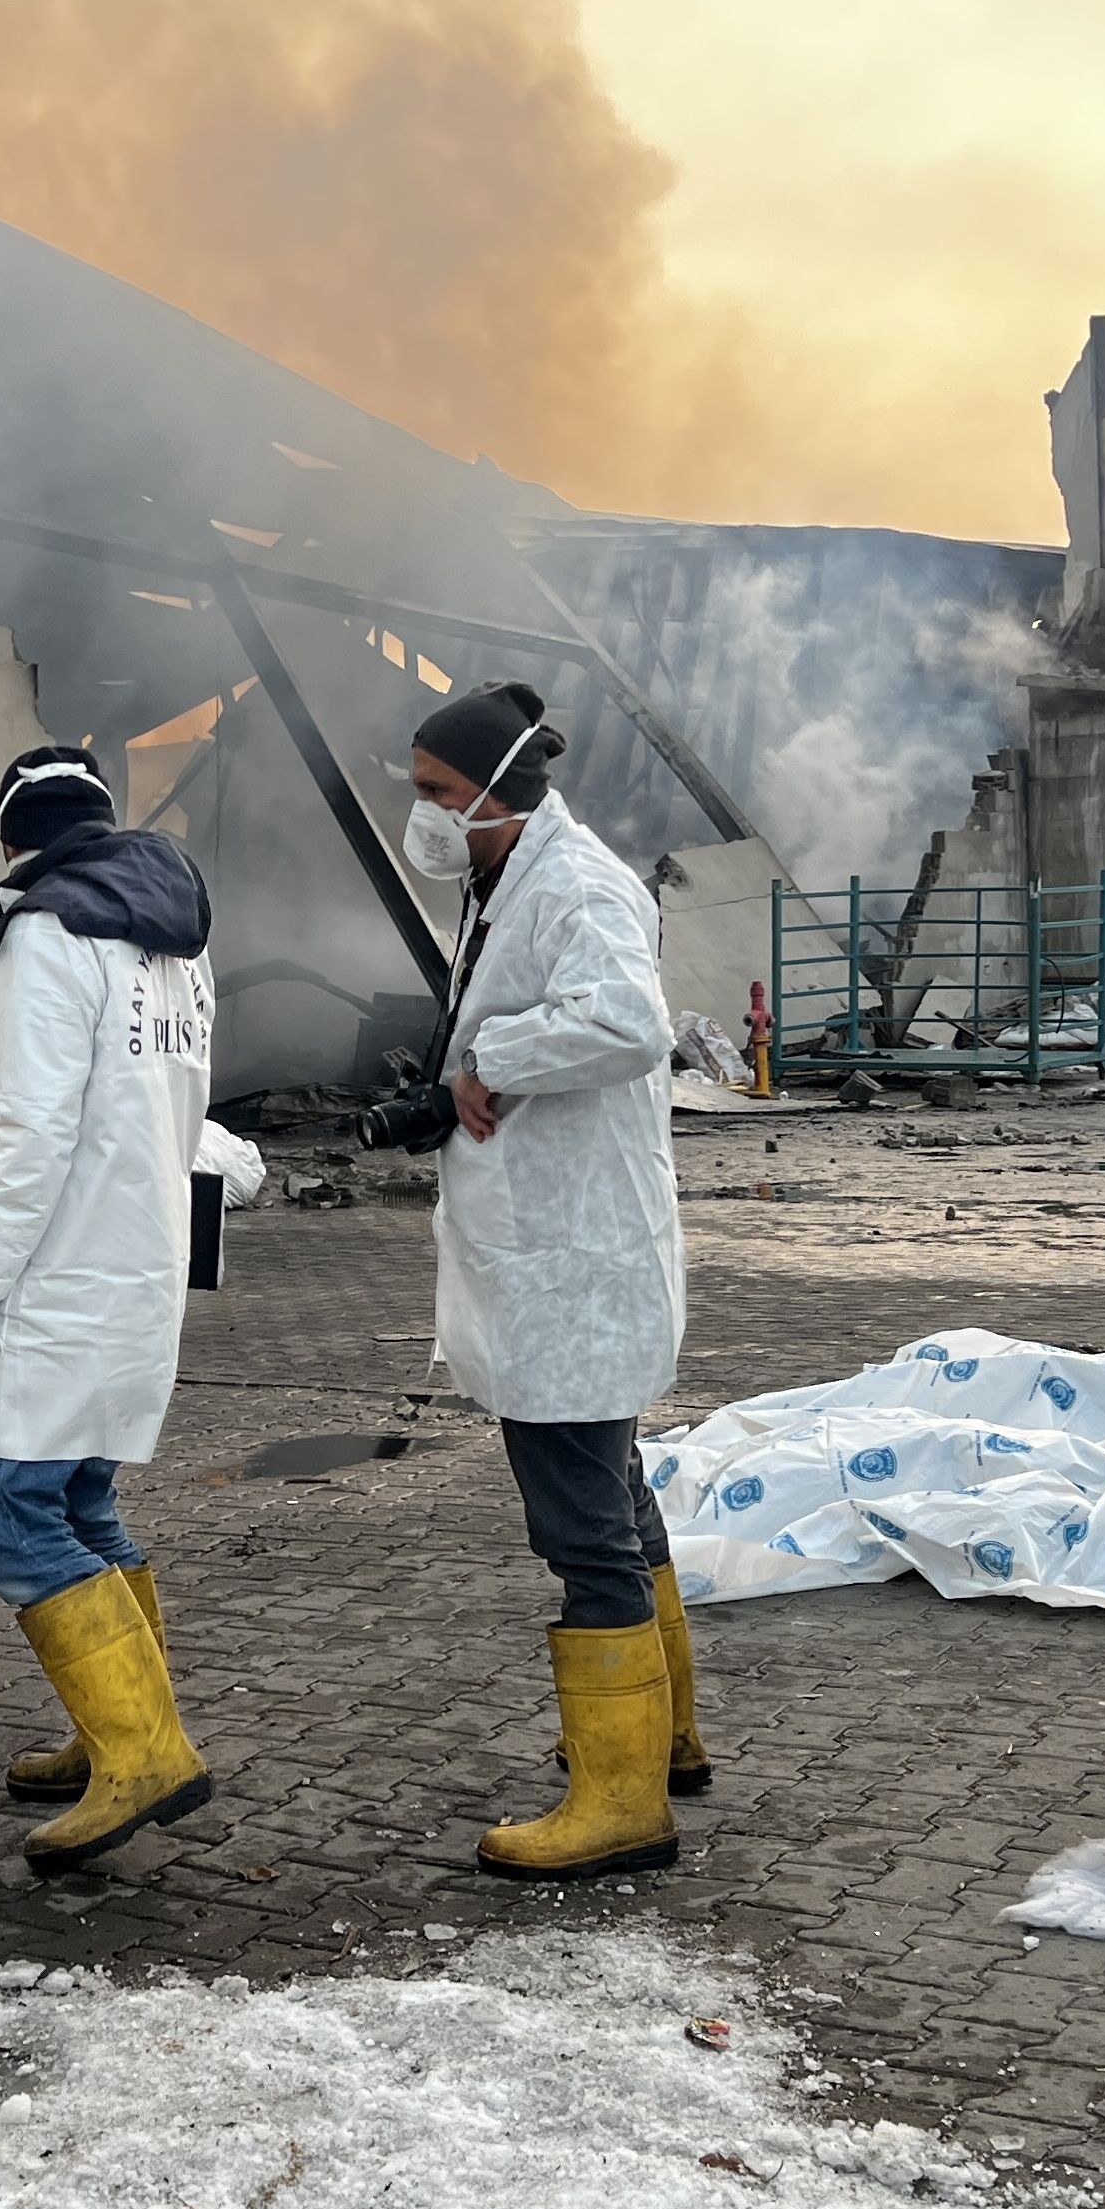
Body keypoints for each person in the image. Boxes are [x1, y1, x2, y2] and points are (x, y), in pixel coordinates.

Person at [401, 682, 706, 1881]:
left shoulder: (572, 885)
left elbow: (632, 1022)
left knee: (582, 1526)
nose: (419, 813)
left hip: (571, 1267)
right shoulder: (513, 878)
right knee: (617, 1500)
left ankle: (620, 1804)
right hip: (566, 1257)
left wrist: (494, 1058)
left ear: (493, 788)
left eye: (432, 791)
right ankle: (665, 1738)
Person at [0, 745, 216, 1872]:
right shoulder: (173, 934)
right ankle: (121, 1729)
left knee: (10, 1514)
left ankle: (145, 1749)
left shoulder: (47, 931)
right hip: (129, 1263)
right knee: (83, 1499)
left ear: (13, 841)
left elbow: (34, 1130)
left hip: (50, 1275)